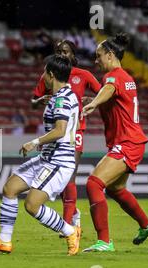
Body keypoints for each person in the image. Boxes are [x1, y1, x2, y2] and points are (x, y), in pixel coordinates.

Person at [0, 55, 81, 256]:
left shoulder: (61, 98)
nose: (42, 76)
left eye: (44, 72)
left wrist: (34, 142)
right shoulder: (65, 95)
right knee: (10, 187)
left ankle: (70, 231)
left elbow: (60, 130)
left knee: (32, 205)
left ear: (51, 75)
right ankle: (4, 240)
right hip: (48, 158)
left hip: (59, 162)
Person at [81, 33, 148, 252]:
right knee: (115, 188)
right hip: (130, 141)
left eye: (98, 56)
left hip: (127, 142)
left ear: (110, 54)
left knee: (94, 183)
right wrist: (89, 101)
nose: (96, 60)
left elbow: (108, 90)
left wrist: (94, 103)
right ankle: (147, 225)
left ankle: (104, 241)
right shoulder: (123, 77)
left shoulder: (114, 77)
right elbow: (111, 96)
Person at [31, 39, 101, 232]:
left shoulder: (83, 75)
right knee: (62, 180)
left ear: (73, 54)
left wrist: (92, 101)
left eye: (66, 51)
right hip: (54, 132)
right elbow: (33, 101)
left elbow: (105, 93)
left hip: (74, 131)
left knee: (69, 177)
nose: (63, 55)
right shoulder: (49, 75)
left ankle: (68, 222)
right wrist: (39, 101)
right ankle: (73, 215)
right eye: (59, 51)